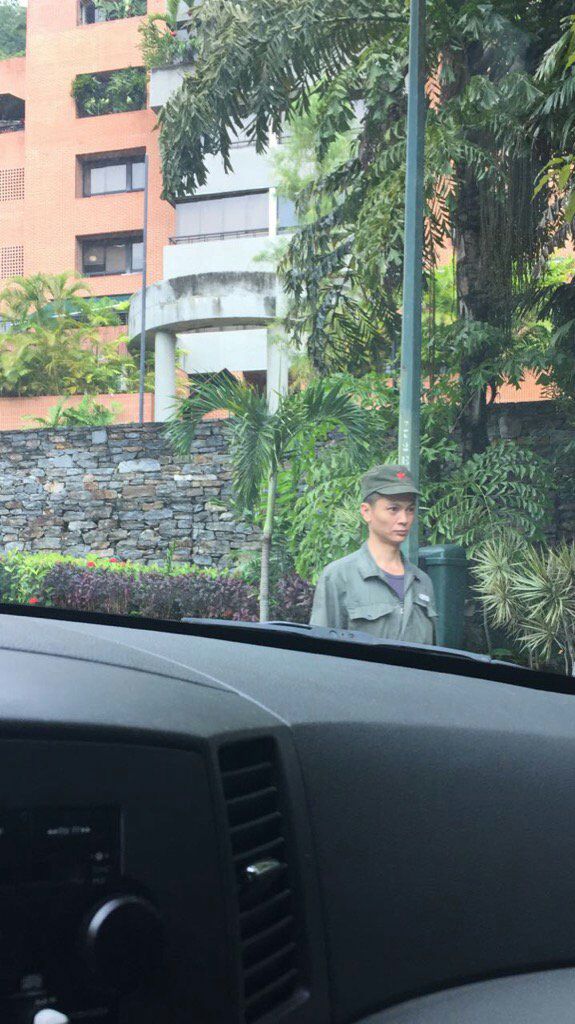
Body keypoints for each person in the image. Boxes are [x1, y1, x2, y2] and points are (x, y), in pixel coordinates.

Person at [310, 464, 437, 644]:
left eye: (410, 509)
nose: (404, 519)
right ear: (366, 512)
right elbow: (319, 654)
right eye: (393, 509)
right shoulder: (339, 577)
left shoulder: (423, 583)